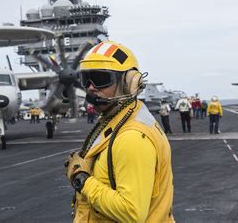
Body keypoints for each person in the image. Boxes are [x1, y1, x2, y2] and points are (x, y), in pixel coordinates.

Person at [64, 41, 174, 222]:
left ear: (129, 84)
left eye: (100, 79)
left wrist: (82, 179)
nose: (91, 87)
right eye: (86, 79)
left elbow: (131, 212)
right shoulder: (119, 118)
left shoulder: (132, 138)